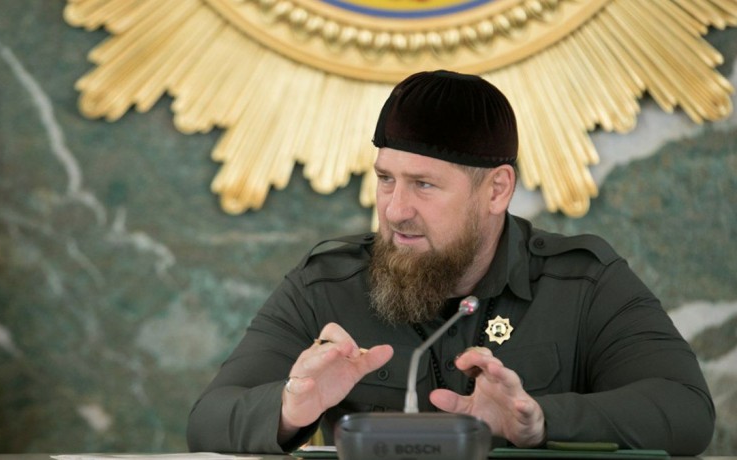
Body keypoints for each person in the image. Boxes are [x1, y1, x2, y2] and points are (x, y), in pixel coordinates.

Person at [186, 70, 715, 455]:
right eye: (386, 179)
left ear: (496, 189)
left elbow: (687, 411)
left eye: (423, 185)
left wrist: (538, 421)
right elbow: (207, 419)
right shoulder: (326, 284)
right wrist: (289, 409)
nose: (395, 210)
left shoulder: (583, 282)